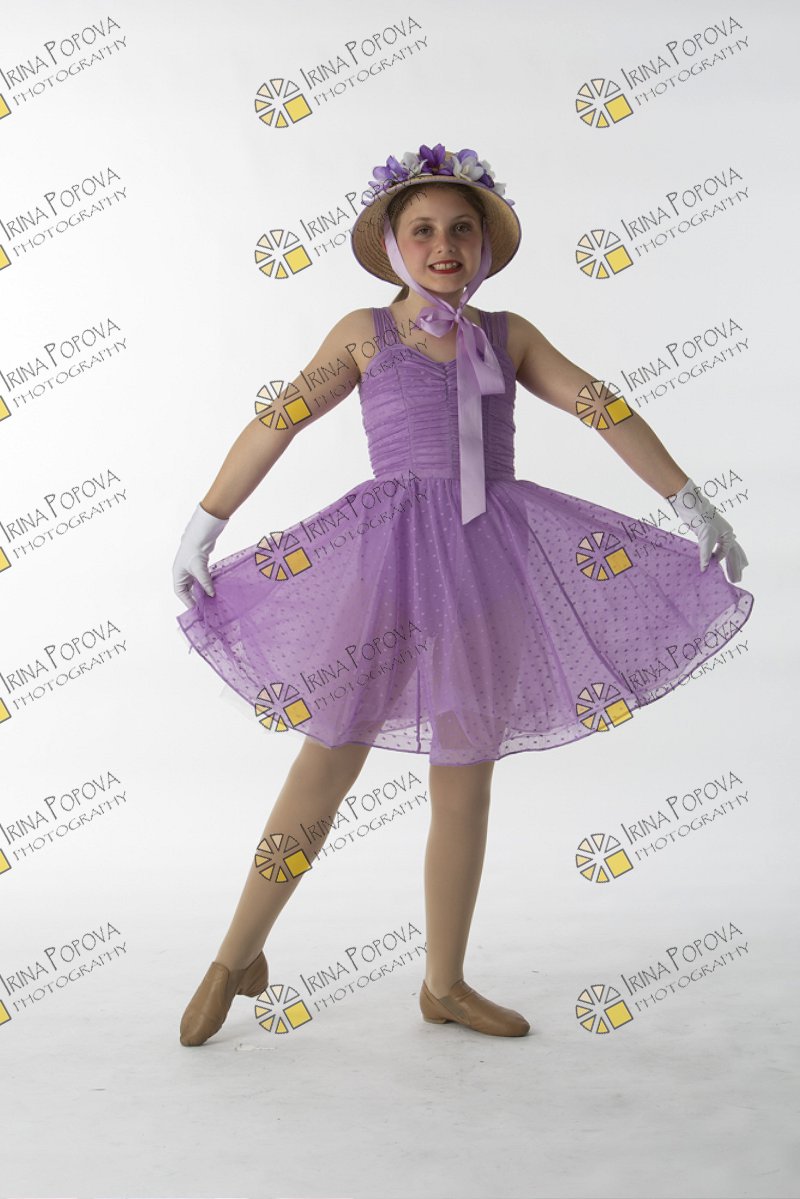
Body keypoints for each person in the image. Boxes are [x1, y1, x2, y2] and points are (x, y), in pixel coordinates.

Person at [172, 142, 754, 1047]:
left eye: (461, 229)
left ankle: (443, 981)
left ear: (484, 244)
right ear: (393, 245)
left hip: (490, 569)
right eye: (423, 230)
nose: (444, 245)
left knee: (464, 776)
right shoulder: (365, 332)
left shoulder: (508, 336)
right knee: (326, 759)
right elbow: (278, 418)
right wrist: (205, 522)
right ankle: (234, 955)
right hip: (388, 564)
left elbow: (600, 403)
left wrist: (690, 500)